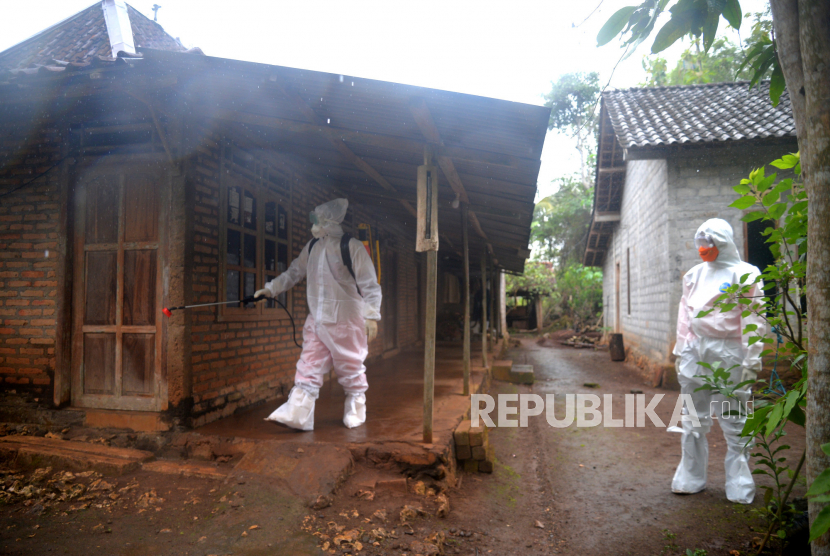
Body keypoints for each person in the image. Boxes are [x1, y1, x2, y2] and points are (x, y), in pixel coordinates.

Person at [254, 198, 381, 431]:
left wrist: (371, 315)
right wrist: (270, 289)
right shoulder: (312, 246)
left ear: (330, 222)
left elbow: (369, 284)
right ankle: (298, 414)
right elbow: (294, 271)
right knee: (309, 363)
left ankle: (355, 406)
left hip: (346, 320)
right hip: (318, 319)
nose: (314, 225)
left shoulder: (351, 246)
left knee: (350, 364)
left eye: (319, 221)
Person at [671, 218, 766, 504]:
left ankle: (739, 480)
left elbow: (754, 318)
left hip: (729, 351)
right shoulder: (694, 275)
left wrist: (751, 357)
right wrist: (682, 349)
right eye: (701, 243)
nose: (704, 248)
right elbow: (685, 314)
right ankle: (690, 476)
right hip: (696, 350)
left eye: (709, 243)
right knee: (692, 417)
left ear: (723, 242)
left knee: (733, 416)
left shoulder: (746, 274)